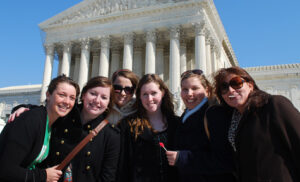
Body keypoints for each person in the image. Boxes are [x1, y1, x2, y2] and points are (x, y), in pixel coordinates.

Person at [7, 76, 121, 182]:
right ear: (83, 95)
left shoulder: (111, 135)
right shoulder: (63, 116)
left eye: (104, 97)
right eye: (93, 94)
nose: (97, 100)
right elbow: (46, 111)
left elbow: (107, 176)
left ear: (108, 103)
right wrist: (25, 108)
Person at [213, 66, 300, 182]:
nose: (230, 90)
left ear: (250, 85)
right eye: (224, 87)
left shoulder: (274, 105)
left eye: (236, 83)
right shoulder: (233, 119)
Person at [0, 75, 80, 182]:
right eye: (62, 95)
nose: (67, 101)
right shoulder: (31, 120)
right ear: (48, 95)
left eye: (72, 98)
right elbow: (5, 170)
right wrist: (43, 176)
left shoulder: (52, 124)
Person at [166, 69, 236, 182]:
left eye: (195, 88)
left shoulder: (214, 115)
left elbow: (225, 160)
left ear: (207, 90)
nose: (189, 93)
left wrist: (182, 158)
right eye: (185, 89)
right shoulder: (186, 115)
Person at [117, 74, 179, 182]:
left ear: (163, 93)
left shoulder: (176, 123)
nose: (150, 99)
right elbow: (123, 165)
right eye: (145, 94)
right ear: (139, 97)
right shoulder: (128, 125)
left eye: (154, 93)